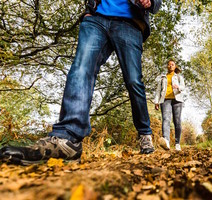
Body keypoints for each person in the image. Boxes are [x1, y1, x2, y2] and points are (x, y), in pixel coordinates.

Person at [0, 0, 162, 165]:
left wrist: (150, 2)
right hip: (97, 19)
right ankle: (68, 139)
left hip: (130, 24)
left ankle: (145, 134)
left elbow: (157, 3)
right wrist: (88, 12)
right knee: (81, 69)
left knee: (133, 81)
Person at [153, 59, 185, 151]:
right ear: (167, 66)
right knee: (166, 120)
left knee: (177, 121)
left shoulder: (179, 77)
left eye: (172, 64)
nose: (170, 66)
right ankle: (166, 141)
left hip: (177, 100)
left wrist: (178, 87)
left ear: (175, 67)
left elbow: (183, 87)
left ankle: (177, 143)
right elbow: (158, 90)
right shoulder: (163, 78)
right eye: (169, 64)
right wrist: (156, 102)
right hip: (165, 100)